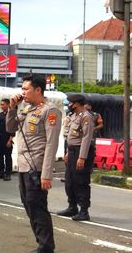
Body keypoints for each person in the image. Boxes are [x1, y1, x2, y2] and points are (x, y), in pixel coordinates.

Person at [6, 74, 62, 253]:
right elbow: (10, 128)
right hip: (23, 166)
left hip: (36, 167)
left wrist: (46, 174)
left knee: (37, 206)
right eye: (22, 89)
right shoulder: (26, 109)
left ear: (38, 89)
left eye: (26, 89)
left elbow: (52, 144)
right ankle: (43, 243)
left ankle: (46, 247)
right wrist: (12, 108)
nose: (22, 92)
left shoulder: (50, 111)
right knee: (29, 204)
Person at [57, 94, 95, 222]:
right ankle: (72, 207)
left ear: (77, 104)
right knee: (70, 181)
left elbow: (86, 138)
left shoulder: (86, 117)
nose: (69, 105)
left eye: (70, 103)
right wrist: (68, 152)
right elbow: (70, 137)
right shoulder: (73, 116)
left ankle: (84, 211)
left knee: (81, 181)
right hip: (72, 151)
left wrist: (82, 157)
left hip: (82, 152)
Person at [0, 98, 16, 181]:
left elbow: (13, 128)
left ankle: (8, 174)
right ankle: (1, 172)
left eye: (3, 104)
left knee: (8, 157)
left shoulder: (11, 115)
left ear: (8, 105)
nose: (1, 106)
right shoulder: (0, 115)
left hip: (7, 139)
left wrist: (10, 140)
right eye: (1, 104)